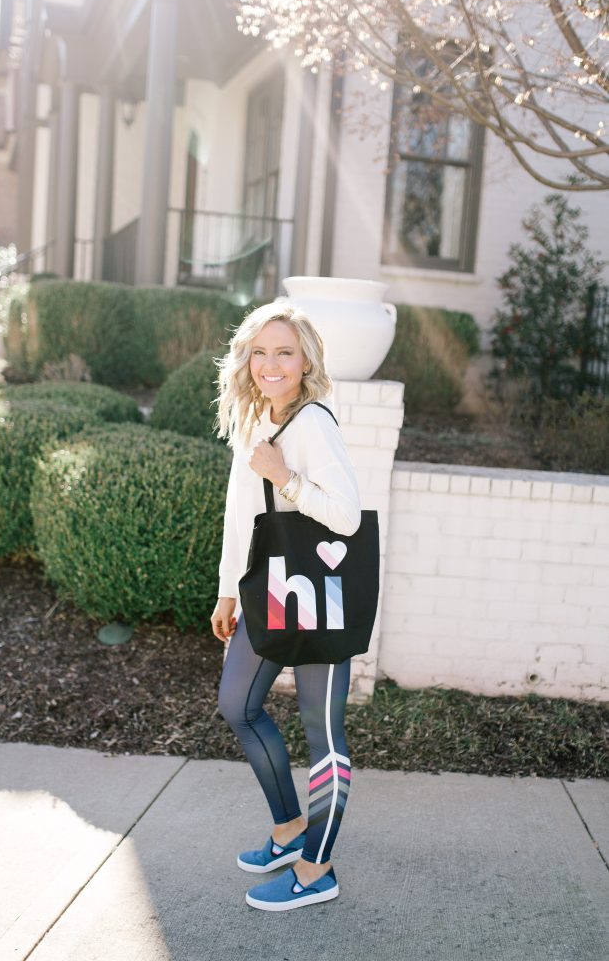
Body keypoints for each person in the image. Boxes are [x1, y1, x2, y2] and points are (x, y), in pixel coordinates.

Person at [211, 299, 361, 912]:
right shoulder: (256, 422)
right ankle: (288, 828)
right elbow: (239, 516)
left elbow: (346, 517)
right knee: (238, 706)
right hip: (266, 590)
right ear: (246, 360)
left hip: (319, 595)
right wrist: (227, 588)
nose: (271, 363)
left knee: (322, 732)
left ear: (305, 362)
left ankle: (316, 868)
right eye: (261, 352)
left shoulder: (312, 424)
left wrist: (286, 478)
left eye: (285, 352)